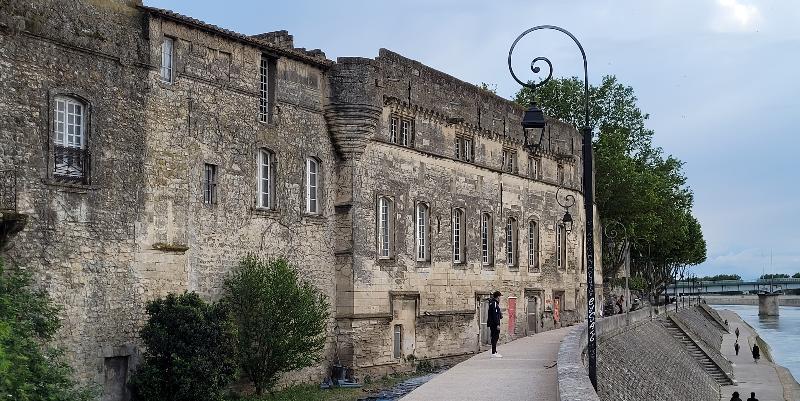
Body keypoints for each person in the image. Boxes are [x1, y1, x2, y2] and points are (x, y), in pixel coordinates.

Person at [487, 291, 503, 358]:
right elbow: (494, 315)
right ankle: (493, 352)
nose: (500, 298)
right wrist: (497, 324)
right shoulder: (494, 303)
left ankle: (495, 351)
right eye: (500, 297)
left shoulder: (493, 303)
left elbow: (496, 313)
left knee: (495, 337)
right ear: (498, 297)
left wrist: (500, 315)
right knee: (495, 337)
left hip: (492, 323)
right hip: (494, 324)